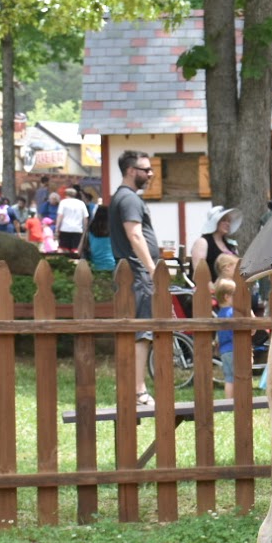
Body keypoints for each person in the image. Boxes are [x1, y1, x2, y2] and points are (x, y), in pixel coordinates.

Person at [108, 149, 160, 405]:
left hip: (132, 273)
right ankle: (139, 390)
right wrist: (153, 270)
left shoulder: (122, 197)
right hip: (138, 273)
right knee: (142, 332)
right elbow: (135, 235)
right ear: (131, 171)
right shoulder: (129, 199)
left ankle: (132, 386)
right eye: (146, 169)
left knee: (137, 331)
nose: (150, 174)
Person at [188, 206, 238, 284]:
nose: (227, 223)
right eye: (224, 220)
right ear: (215, 222)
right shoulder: (202, 243)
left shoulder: (230, 245)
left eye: (229, 221)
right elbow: (198, 273)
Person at [213, 277, 237, 401]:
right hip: (234, 349)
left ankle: (228, 401)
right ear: (227, 297)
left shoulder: (220, 313)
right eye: (235, 295)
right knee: (239, 376)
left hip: (224, 350)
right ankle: (237, 399)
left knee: (229, 378)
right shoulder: (232, 313)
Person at [54, 187, 89, 257]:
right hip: (77, 229)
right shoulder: (81, 203)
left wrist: (57, 229)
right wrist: (85, 229)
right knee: (75, 249)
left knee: (64, 249)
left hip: (65, 229)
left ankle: (66, 263)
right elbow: (85, 218)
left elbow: (60, 216)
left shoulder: (63, 202)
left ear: (66, 194)